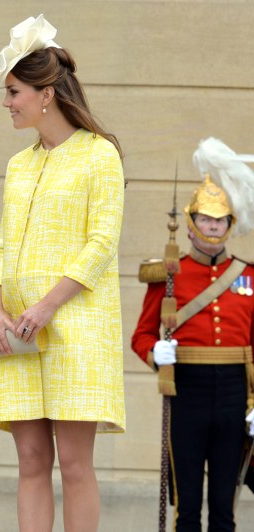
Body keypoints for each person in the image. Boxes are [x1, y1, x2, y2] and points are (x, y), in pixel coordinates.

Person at [0, 14, 126, 532]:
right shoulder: (18, 165)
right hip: (18, 332)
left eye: (13, 91)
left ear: (45, 93)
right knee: (30, 462)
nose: (7, 103)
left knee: (74, 464)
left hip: (77, 332)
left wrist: (46, 307)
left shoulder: (99, 155)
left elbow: (101, 245)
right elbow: (3, 242)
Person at [132, 137, 254, 531]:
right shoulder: (168, 275)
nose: (213, 226)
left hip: (236, 392)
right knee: (186, 507)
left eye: (220, 220)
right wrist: (156, 353)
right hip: (187, 390)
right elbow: (141, 335)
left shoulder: (248, 275)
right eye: (205, 219)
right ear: (191, 224)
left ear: (230, 225)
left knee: (224, 504)